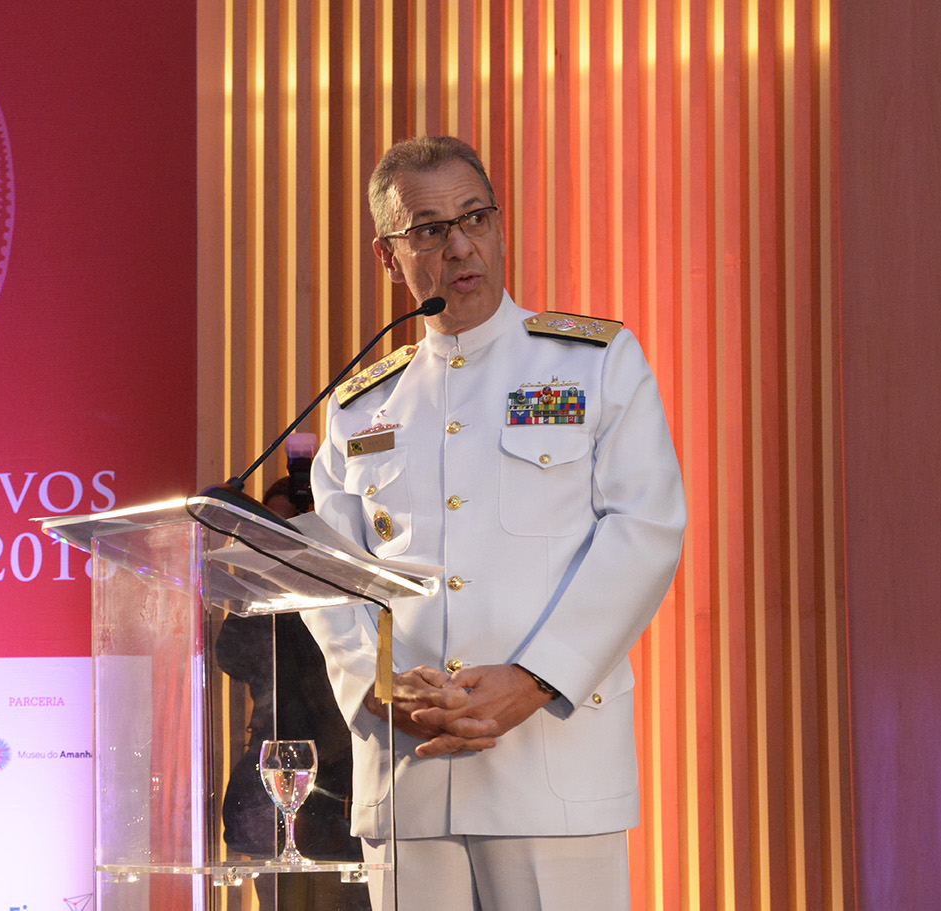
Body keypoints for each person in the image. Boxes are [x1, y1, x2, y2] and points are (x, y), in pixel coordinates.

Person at [301, 136, 686, 910]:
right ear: (387, 257)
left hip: (550, 759)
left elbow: (644, 528)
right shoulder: (359, 405)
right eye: (428, 229)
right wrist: (377, 684)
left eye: (474, 217)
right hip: (408, 767)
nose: (460, 246)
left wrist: (536, 677)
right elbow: (330, 572)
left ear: (499, 224)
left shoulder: (591, 362)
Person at [215, 475, 371, 910]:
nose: (281, 544)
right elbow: (232, 657)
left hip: (344, 780)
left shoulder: (349, 602)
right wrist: (259, 576)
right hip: (270, 781)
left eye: (294, 532)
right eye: (272, 532)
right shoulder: (260, 596)